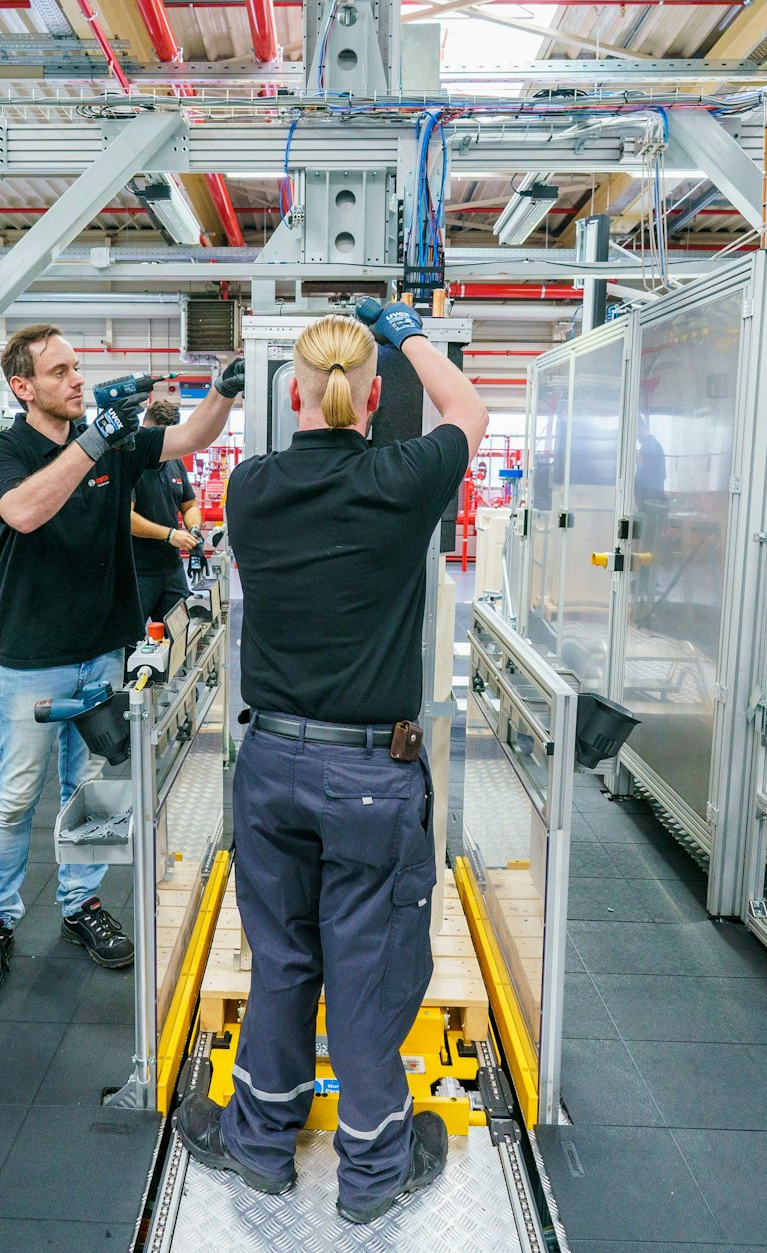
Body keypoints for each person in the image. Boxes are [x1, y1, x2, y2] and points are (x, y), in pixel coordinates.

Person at [172, 302, 488, 1225]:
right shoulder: (403, 479)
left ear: (295, 393)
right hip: (371, 778)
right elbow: (467, 411)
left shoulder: (255, 490)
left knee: (281, 960)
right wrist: (407, 330)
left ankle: (259, 1147)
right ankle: (373, 1171)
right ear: (375, 394)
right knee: (368, 969)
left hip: (269, 763)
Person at [0, 325, 245, 1004]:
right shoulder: (3, 450)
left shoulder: (117, 441)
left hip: (103, 654)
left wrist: (225, 392)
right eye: (59, 371)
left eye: (78, 367)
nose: (77, 380)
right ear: (22, 386)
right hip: (34, 658)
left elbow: (190, 438)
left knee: (92, 790)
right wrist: (94, 440)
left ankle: (80, 905)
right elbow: (24, 513)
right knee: (14, 800)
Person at [129, 398, 202, 623]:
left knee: (180, 636)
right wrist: (169, 535)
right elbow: (126, 518)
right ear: (146, 429)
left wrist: (195, 530)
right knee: (131, 645)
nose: (161, 445)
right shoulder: (130, 463)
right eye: (157, 438)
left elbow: (189, 504)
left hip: (172, 570)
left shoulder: (174, 461)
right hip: (138, 573)